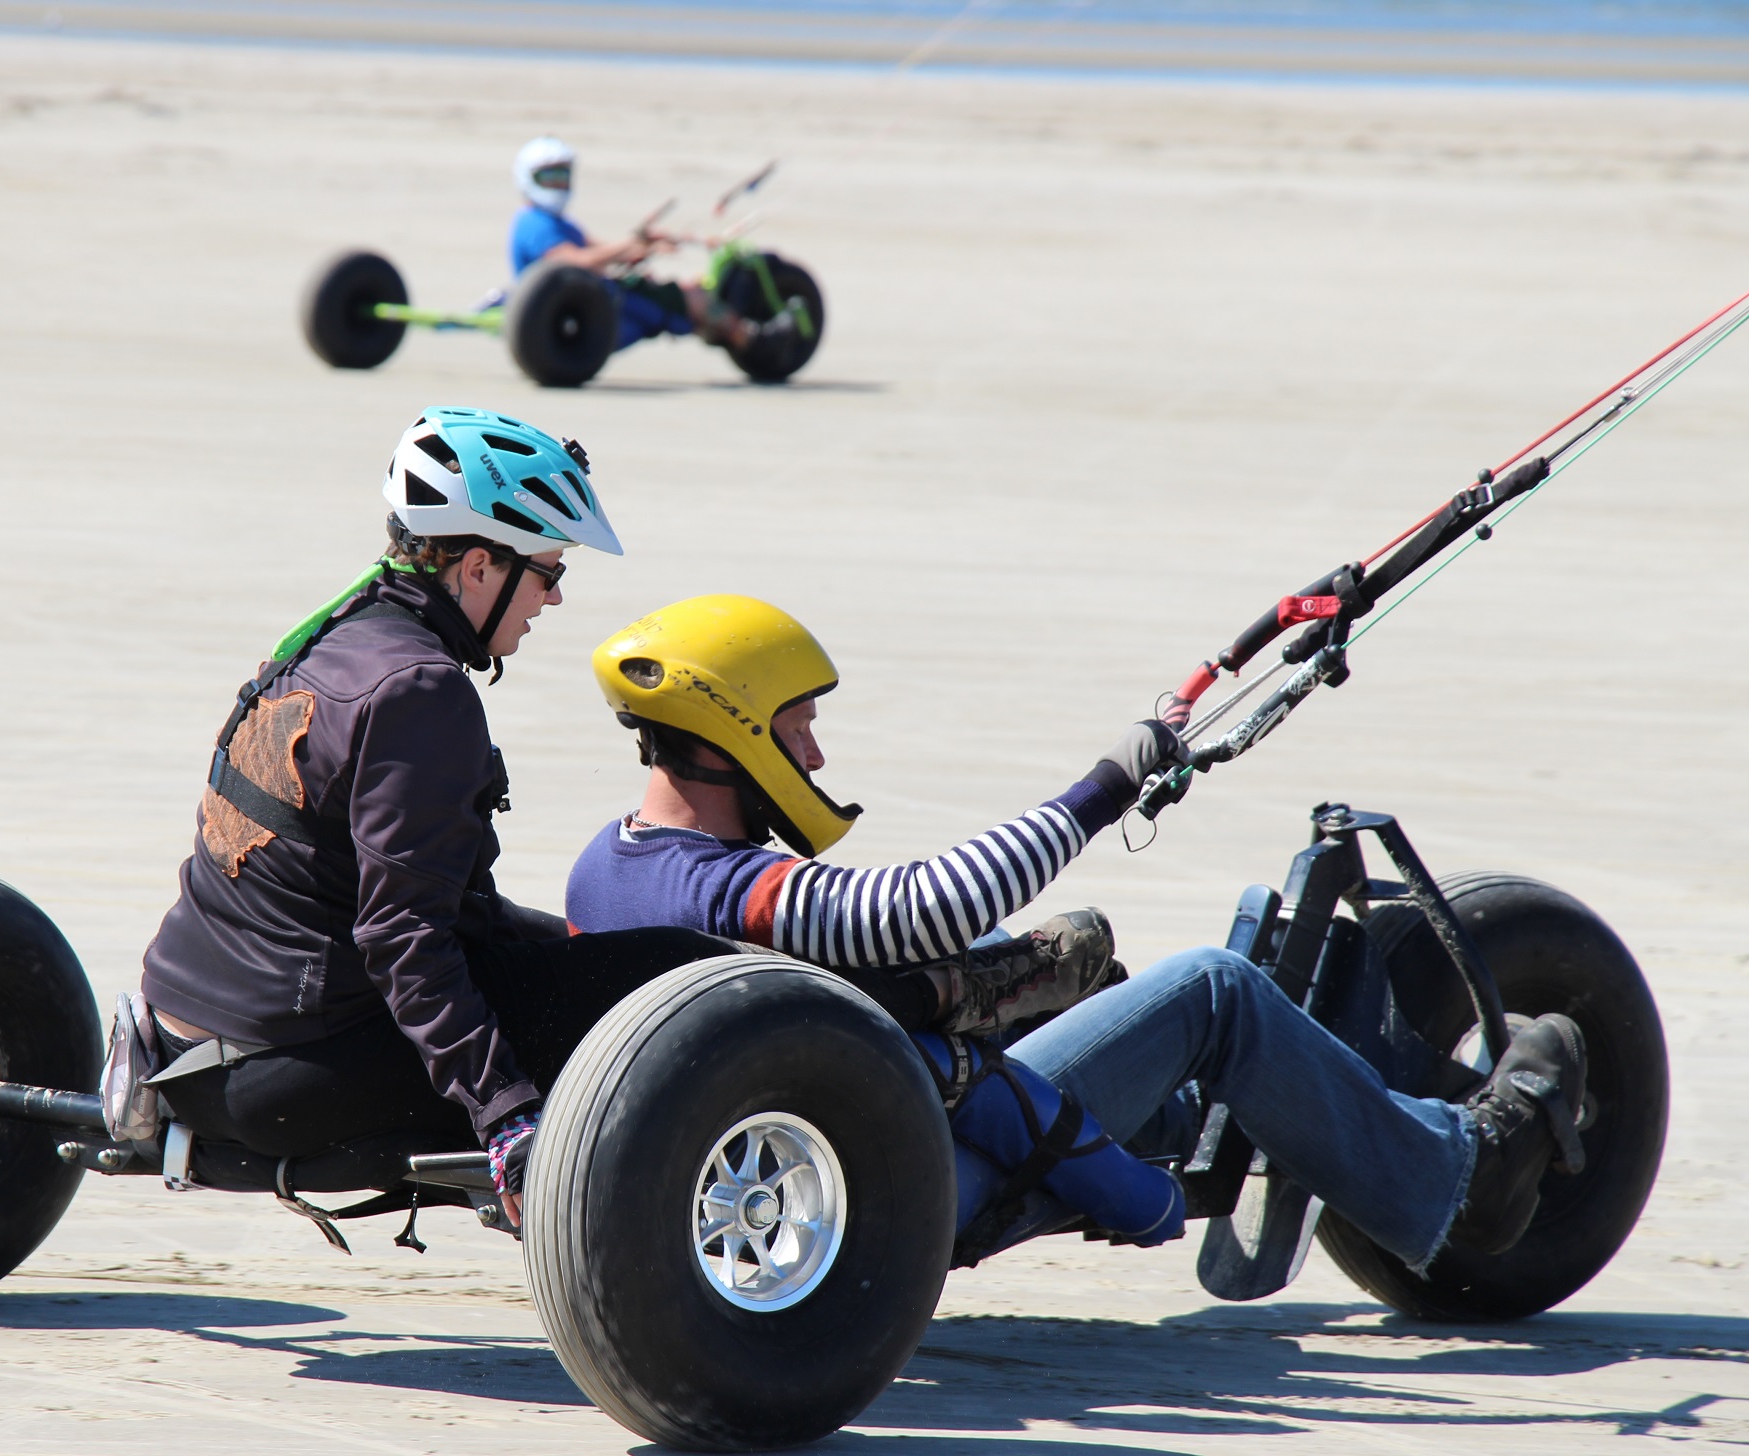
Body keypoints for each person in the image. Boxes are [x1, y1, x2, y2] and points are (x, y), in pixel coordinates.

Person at [564, 594, 1591, 1268]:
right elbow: (920, 907)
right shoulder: (725, 886)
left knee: (1047, 969)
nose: (817, 751)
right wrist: (1108, 784)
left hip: (799, 1159)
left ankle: (1280, 1113)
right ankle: (1458, 1178)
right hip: (887, 1179)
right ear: (735, 730)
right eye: (797, 726)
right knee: (1213, 988)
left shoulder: (604, 871)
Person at [137, 408, 746, 1226]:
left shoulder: (330, 638)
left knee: (595, 958)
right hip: (292, 1063)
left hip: (194, 1030)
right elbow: (404, 940)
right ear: (476, 567)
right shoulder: (420, 693)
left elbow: (417, 910)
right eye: (546, 569)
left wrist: (564, 947)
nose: (557, 596)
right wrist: (508, 1116)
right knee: (685, 984)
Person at [509, 135, 794, 357]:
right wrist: (633, 243)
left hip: (594, 298)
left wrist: (642, 248)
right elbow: (574, 261)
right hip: (588, 303)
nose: (558, 184)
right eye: (549, 177)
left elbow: (597, 250)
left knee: (676, 288)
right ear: (529, 178)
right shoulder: (536, 224)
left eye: (563, 175)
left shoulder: (555, 221)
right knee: (694, 296)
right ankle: (757, 343)